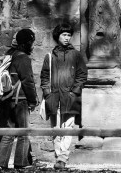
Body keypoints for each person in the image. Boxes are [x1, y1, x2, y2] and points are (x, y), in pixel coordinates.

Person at [40, 23, 88, 170]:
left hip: (70, 97)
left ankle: (62, 158)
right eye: (64, 35)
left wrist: (74, 92)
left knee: (68, 126)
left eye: (69, 35)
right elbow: (44, 76)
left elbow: (82, 75)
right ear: (58, 36)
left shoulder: (76, 55)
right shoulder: (50, 56)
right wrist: (47, 93)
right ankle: (58, 155)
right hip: (54, 97)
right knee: (55, 128)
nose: (67, 38)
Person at [0, 28, 38, 170]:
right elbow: (27, 81)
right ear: (27, 43)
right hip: (21, 99)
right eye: (32, 42)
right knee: (23, 132)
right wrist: (33, 100)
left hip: (8, 98)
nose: (33, 45)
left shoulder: (9, 55)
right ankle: (21, 163)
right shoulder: (23, 58)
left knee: (9, 132)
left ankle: (0, 163)